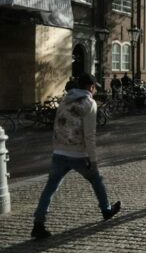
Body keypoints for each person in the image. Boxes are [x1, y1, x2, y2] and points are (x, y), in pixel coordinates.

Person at [31, 73, 122, 239]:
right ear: (90, 87)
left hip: (59, 151)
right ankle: (106, 210)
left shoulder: (65, 100)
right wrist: (93, 159)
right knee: (96, 179)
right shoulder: (89, 103)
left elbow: (57, 124)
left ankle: (38, 223)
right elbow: (90, 134)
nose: (94, 90)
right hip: (78, 153)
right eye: (94, 87)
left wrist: (56, 146)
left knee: (50, 187)